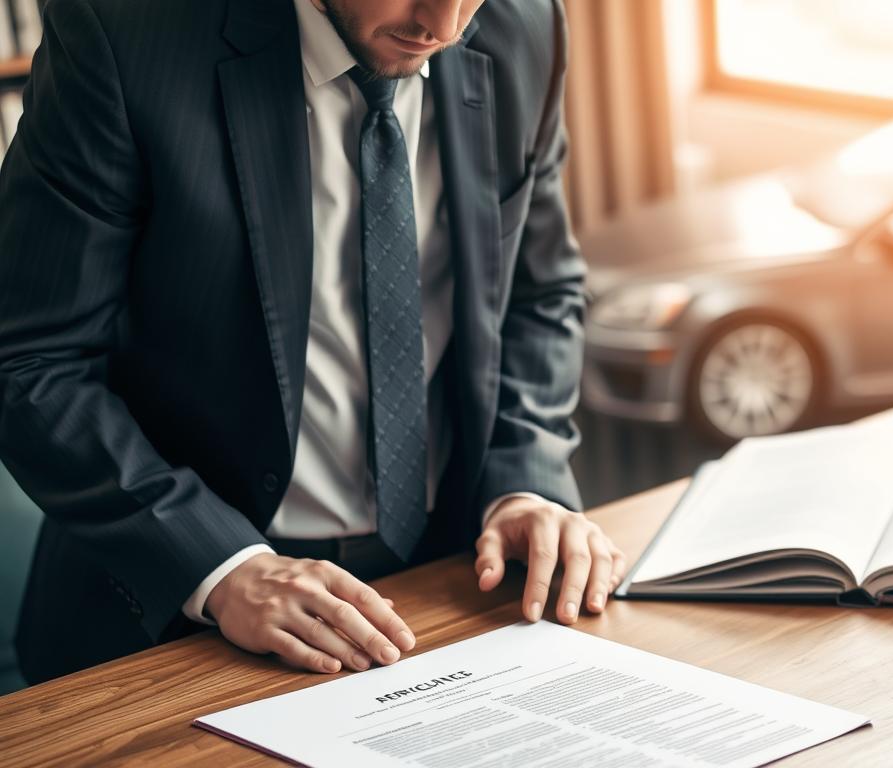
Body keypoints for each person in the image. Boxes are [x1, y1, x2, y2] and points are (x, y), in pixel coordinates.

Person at [0, 0, 625, 684]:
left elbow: (539, 293)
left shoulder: (525, 26)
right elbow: (31, 359)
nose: (443, 27)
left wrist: (524, 484)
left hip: (450, 587)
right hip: (178, 621)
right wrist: (222, 566)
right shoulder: (120, 31)